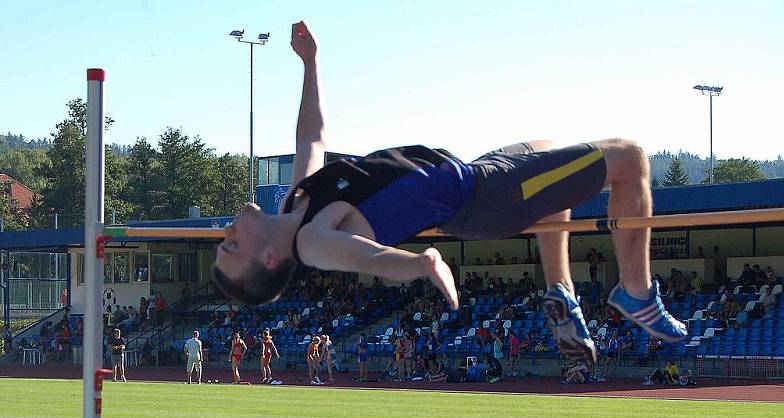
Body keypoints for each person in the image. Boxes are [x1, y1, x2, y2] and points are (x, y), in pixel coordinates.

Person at [210, 21, 686, 369]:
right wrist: (423, 264)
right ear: (271, 258)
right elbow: (370, 258)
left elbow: (311, 137)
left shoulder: (296, 203)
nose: (228, 231)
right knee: (630, 158)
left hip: (475, 174)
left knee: (548, 152)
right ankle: (637, 292)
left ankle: (561, 292)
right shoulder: (312, 243)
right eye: (232, 244)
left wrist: (311, 64)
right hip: (489, 197)